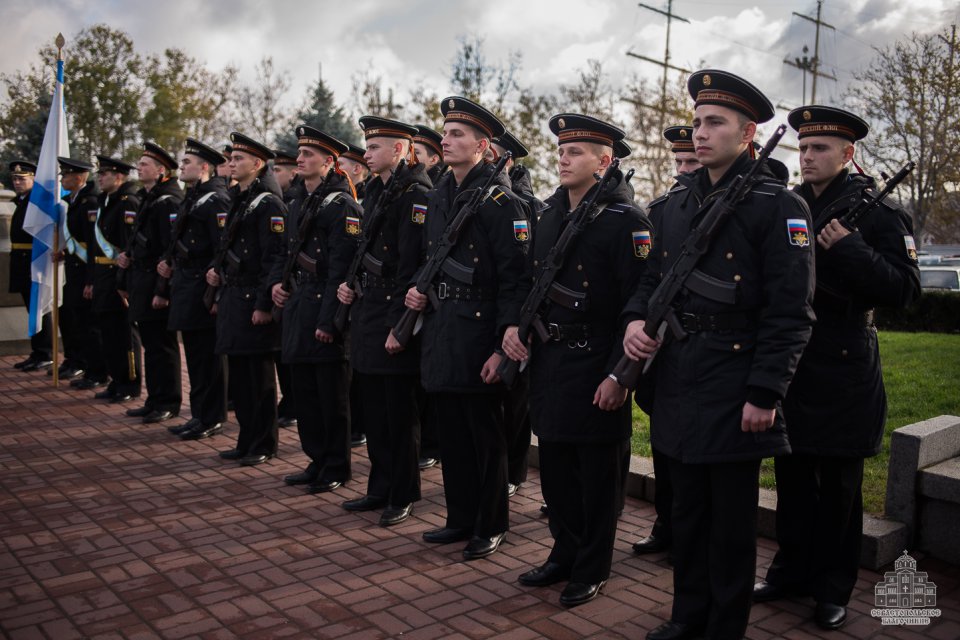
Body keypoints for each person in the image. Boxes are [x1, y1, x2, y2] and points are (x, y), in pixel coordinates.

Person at [621, 70, 815, 640]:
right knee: (687, 513)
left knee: (730, 525)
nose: (700, 134)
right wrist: (635, 320)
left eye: (715, 123)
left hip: (736, 381)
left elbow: (790, 312)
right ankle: (688, 616)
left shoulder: (779, 206)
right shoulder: (676, 205)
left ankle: (723, 628)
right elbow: (652, 279)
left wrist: (765, 392)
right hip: (680, 374)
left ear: (748, 131)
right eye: (699, 122)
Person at [753, 106, 921, 631]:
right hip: (792, 360)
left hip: (845, 362)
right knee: (793, 478)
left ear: (848, 154)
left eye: (819, 148)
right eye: (803, 148)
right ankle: (791, 570)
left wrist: (851, 250)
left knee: (841, 490)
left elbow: (907, 293)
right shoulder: (790, 204)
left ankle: (832, 587)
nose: (807, 157)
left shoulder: (880, 214)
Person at [503, 114, 650, 607]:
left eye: (577, 152)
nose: (563, 159)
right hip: (550, 359)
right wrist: (515, 329)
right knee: (559, 473)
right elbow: (529, 282)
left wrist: (618, 376)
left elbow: (637, 305)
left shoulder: (626, 222)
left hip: (595, 363)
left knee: (597, 479)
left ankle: (592, 567)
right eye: (561, 151)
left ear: (604, 161)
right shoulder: (549, 215)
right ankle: (564, 553)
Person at [403, 96, 528, 561]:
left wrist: (502, 346)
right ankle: (460, 518)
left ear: (483, 146)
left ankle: (490, 524)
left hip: (479, 334)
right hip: (442, 327)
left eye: (458, 135)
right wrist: (418, 289)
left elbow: (515, 282)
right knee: (452, 433)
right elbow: (429, 260)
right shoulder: (439, 194)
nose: (446, 140)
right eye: (446, 133)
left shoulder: (502, 202)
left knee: (484, 437)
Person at [337, 116, 431, 526]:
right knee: (374, 411)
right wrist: (352, 285)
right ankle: (379, 487)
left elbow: (413, 265)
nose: (366, 153)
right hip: (369, 311)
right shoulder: (375, 190)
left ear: (399, 150)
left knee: (398, 414)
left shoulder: (415, 193)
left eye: (375, 147)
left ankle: (403, 492)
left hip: (394, 315)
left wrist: (401, 326)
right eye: (367, 146)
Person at [271, 125, 361, 493]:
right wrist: (276, 285)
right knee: (305, 394)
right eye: (300, 153)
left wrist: (329, 322)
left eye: (309, 155)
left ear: (329, 162)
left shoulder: (343, 206)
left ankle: (336, 466)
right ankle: (316, 459)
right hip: (297, 308)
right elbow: (285, 254)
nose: (300, 159)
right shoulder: (296, 202)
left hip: (324, 312)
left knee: (330, 398)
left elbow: (341, 269)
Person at [631, 125, 701, 559]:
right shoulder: (662, 209)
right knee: (663, 441)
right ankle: (666, 524)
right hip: (665, 344)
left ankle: (686, 532)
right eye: (678, 162)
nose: (683, 171)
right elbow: (647, 276)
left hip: (704, 343)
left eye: (690, 162)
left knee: (692, 450)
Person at [208, 133, 286, 466]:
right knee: (240, 376)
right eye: (231, 158)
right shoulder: (238, 197)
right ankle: (245, 439)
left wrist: (263, 306)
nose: (232, 164)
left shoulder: (268, 203)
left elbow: (275, 257)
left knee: (259, 379)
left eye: (238, 159)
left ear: (257, 164)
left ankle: (264, 443)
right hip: (233, 296)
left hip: (252, 298)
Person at [161, 138, 232, 441]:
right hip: (186, 286)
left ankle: (212, 416)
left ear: (204, 167)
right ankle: (199, 414)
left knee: (207, 358)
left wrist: (215, 294)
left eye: (188, 162)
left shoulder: (215, 199)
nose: (182, 166)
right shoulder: (193, 197)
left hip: (202, 288)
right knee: (195, 356)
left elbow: (222, 249)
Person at [490, 130, 541, 497]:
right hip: (494, 311)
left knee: (516, 400)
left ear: (506, 160)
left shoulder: (523, 202)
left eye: (492, 154)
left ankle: (515, 470)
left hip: (519, 313)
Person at [118, 142, 184, 424]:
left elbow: (168, 250)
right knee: (150, 344)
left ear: (160, 171)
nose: (139, 167)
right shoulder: (148, 197)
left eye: (145, 164)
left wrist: (163, 291)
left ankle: (168, 401)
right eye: (140, 162)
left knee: (162, 346)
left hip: (155, 283)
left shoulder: (168, 201)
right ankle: (155, 398)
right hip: (141, 280)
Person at [87, 156, 143, 403]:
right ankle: (116, 380)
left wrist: (124, 283)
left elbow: (127, 247)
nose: (100, 177)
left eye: (105, 174)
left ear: (119, 176)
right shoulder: (105, 201)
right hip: (103, 277)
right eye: (100, 174)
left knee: (123, 334)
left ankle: (130, 383)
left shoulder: (127, 202)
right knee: (108, 332)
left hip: (117, 277)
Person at [56, 158, 107, 387]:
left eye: (65, 175)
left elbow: (93, 245)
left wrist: (91, 280)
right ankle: (85, 366)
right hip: (74, 271)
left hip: (86, 272)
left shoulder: (90, 203)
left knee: (91, 326)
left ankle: (97, 372)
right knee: (78, 322)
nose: (62, 179)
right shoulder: (74, 201)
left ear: (78, 178)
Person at [7, 160, 53, 372]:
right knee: (31, 309)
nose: (17, 182)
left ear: (34, 178)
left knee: (40, 310)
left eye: (22, 178)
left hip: (34, 262)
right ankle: (37, 352)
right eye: (15, 179)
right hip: (22, 261)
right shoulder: (22, 201)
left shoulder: (36, 203)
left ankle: (45, 352)